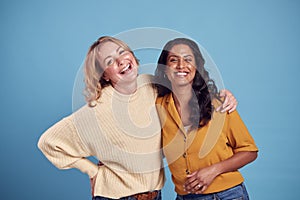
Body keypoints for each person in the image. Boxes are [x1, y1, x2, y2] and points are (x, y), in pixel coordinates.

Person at [38, 36, 237, 200]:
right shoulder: (97, 109)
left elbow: (186, 88)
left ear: (132, 56)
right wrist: (92, 171)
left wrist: (221, 95)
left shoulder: (152, 86)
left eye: (122, 52)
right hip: (117, 197)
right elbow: (49, 142)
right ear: (104, 75)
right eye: (109, 61)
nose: (120, 61)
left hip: (154, 195)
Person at [155, 38, 258, 200]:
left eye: (188, 59)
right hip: (184, 196)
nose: (181, 65)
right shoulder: (158, 106)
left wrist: (213, 170)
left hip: (226, 195)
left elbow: (249, 151)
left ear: (197, 67)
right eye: (173, 60)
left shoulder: (219, 105)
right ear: (165, 69)